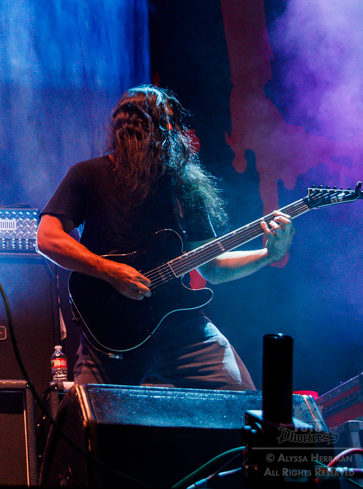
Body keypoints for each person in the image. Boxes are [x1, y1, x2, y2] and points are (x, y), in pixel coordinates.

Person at [36, 85, 294, 390]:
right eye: (165, 122)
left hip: (182, 330)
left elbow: (213, 267)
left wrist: (268, 255)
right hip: (110, 333)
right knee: (87, 416)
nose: (174, 132)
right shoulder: (88, 175)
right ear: (137, 129)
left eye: (173, 124)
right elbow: (48, 238)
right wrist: (109, 271)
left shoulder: (185, 186)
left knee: (239, 400)